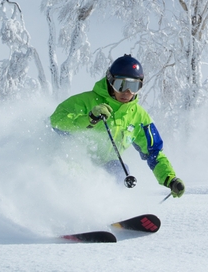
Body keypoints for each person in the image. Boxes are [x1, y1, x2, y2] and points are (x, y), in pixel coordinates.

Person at [50, 54, 185, 198]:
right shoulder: (86, 101)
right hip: (74, 160)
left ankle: (113, 215)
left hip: (107, 165)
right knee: (78, 174)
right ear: (110, 81)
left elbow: (154, 152)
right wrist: (89, 119)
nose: (127, 92)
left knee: (120, 172)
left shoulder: (138, 116)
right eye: (121, 85)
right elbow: (56, 121)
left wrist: (170, 179)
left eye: (134, 86)